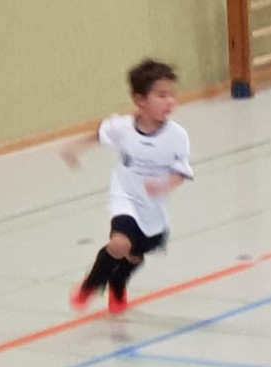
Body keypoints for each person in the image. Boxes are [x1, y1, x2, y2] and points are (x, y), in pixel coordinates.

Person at [63, 59, 193, 315]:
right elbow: (100, 134)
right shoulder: (122, 127)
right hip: (125, 195)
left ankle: (118, 282)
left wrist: (165, 186)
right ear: (140, 100)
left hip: (153, 205)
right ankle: (90, 285)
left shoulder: (177, 137)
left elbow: (181, 173)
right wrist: (74, 148)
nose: (169, 101)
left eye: (172, 95)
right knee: (120, 243)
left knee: (134, 255)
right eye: (161, 95)